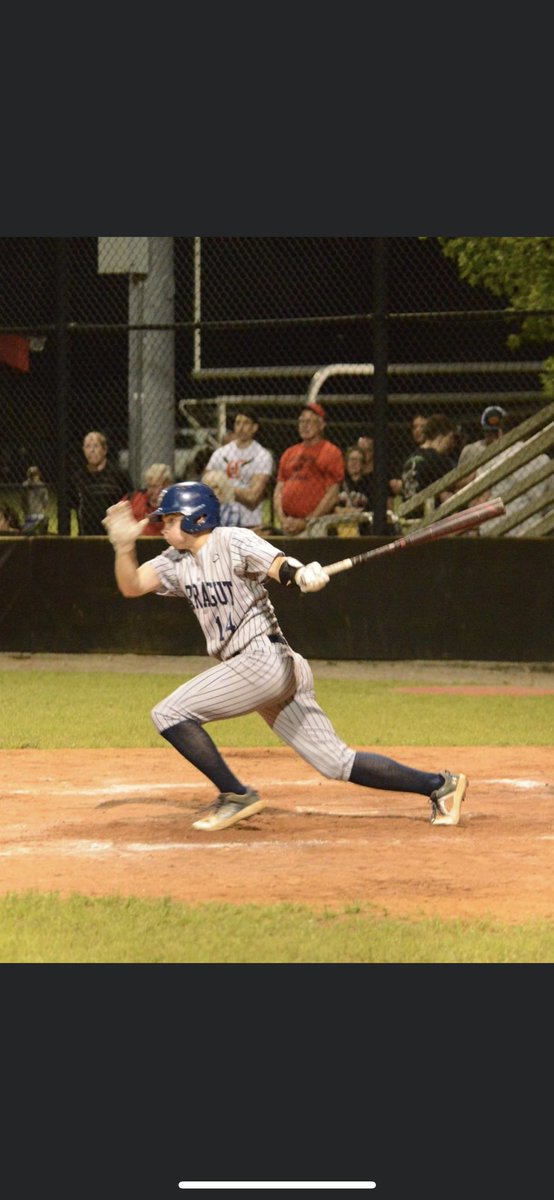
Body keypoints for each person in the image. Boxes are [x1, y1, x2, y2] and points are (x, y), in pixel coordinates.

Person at [102, 480, 468, 833]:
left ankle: (236, 795)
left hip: (263, 659)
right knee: (335, 762)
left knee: (169, 713)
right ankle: (440, 785)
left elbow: (277, 564)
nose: (162, 526)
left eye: (169, 519)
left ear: (196, 517)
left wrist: (300, 573)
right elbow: (131, 585)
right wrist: (122, 547)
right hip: (266, 669)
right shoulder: (175, 560)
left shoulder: (231, 540)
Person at [470, 413, 554, 536]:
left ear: (500, 433)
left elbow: (478, 498)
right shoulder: (542, 459)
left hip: (493, 527)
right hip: (531, 526)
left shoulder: (491, 459)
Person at [273, 402, 345, 535]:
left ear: (322, 425)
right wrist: (282, 519)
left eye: (310, 421)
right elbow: (279, 489)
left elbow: (332, 494)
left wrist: (308, 521)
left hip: (317, 523)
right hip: (288, 522)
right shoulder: (289, 452)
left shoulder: (330, 452)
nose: (304, 425)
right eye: (301, 421)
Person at [202, 410, 273, 530]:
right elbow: (205, 487)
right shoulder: (221, 453)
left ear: (254, 427)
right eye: (238, 423)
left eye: (246, 423)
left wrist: (222, 486)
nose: (241, 427)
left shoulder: (262, 455)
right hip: (220, 519)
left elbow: (252, 498)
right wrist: (241, 491)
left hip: (249, 521)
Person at [71, 430, 133, 535]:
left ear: (104, 450)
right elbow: (74, 504)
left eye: (95, 446)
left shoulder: (118, 475)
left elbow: (129, 500)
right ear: (83, 450)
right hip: (87, 533)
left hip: (114, 532)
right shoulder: (79, 477)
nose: (92, 450)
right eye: (88, 446)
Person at [400, 413, 458, 513]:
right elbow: (446, 494)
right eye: (450, 438)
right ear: (441, 436)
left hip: (409, 514)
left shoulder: (412, 457)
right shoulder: (438, 459)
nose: (451, 444)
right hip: (428, 518)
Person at [455, 404, 507, 489]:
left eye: (496, 433)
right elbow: (458, 481)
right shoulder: (470, 450)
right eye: (490, 433)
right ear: (484, 431)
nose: (494, 438)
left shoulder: (511, 448)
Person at [124, 463, 173, 535]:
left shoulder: (175, 503)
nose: (151, 491)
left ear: (167, 485)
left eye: (155, 486)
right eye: (149, 486)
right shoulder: (133, 498)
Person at [335, 444, 375, 511]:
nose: (354, 463)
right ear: (346, 463)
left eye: (357, 460)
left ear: (363, 464)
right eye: (352, 460)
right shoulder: (340, 481)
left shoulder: (369, 483)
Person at [21, 465, 50, 534]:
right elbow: (45, 502)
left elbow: (23, 502)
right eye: (33, 475)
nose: (34, 477)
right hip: (33, 514)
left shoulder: (26, 485)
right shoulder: (41, 486)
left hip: (34, 514)